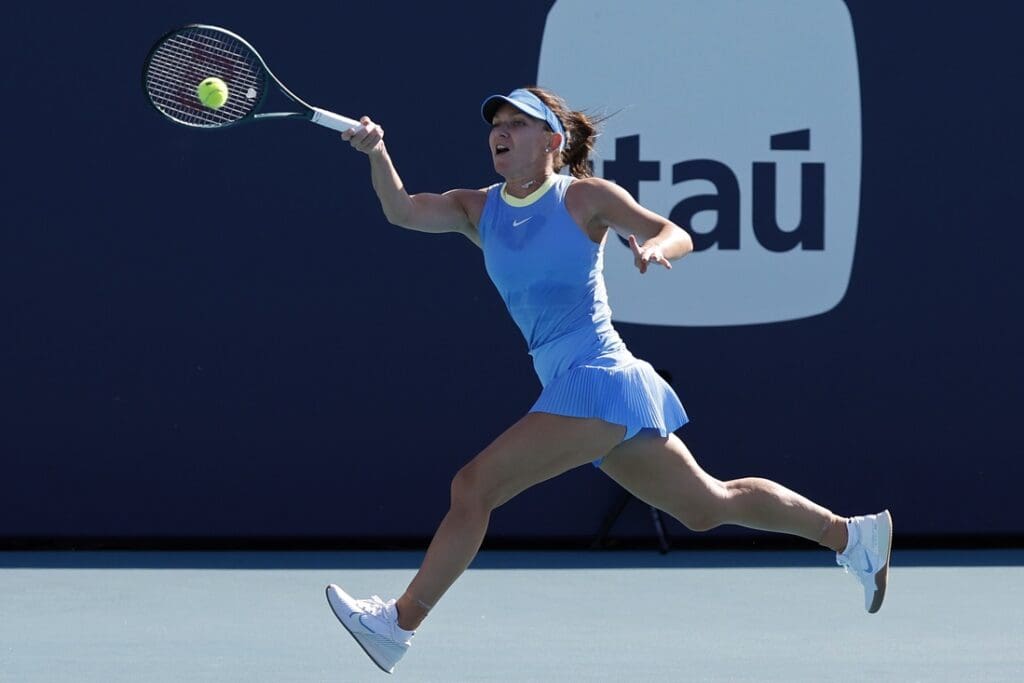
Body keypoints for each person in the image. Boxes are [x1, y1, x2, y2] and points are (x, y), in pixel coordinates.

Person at [325, 87, 892, 674]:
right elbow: (404, 210)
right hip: (586, 384)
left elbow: (674, 230)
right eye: (497, 123)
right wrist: (376, 152)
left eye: (518, 123)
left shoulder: (584, 197)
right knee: (705, 506)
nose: (501, 131)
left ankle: (398, 623)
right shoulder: (478, 208)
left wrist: (652, 246)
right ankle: (852, 536)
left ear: (551, 141)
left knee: (473, 488)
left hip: (598, 377)